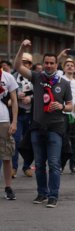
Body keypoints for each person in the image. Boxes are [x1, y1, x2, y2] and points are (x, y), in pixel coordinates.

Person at [14, 40, 73, 208]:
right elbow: (17, 66)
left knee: (54, 163)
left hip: (56, 128)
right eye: (46, 63)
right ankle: (42, 193)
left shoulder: (64, 83)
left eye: (51, 63)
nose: (48, 65)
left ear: (56, 65)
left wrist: (62, 106)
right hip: (37, 127)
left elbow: (70, 106)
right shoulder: (37, 78)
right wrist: (22, 48)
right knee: (39, 164)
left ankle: (53, 195)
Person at [59, 58, 75, 175]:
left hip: (74, 116)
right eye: (67, 65)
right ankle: (60, 165)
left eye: (72, 65)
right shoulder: (59, 80)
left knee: (74, 143)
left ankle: (73, 166)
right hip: (61, 115)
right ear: (63, 68)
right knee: (62, 142)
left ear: (74, 68)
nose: (70, 67)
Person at [12, 52, 34, 178]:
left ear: (30, 65)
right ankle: (14, 167)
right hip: (18, 115)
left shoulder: (35, 77)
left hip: (31, 114)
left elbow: (41, 94)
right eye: (22, 62)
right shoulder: (13, 77)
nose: (24, 65)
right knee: (15, 140)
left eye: (27, 63)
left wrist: (30, 98)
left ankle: (26, 166)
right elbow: (7, 94)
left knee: (30, 142)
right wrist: (15, 96)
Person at [0, 66, 18, 200]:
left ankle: (8, 187)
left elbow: (15, 100)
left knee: (6, 156)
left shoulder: (7, 76)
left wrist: (14, 121)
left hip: (4, 120)